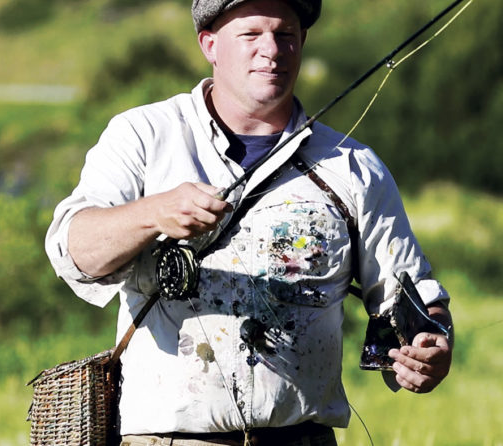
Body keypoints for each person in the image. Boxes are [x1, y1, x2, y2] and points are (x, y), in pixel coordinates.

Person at [45, 0, 453, 444]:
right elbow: (74, 252)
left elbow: (413, 297)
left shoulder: (355, 167)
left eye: (285, 34)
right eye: (251, 34)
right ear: (209, 45)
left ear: (302, 42)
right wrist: (153, 212)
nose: (271, 50)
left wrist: (430, 346)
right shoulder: (143, 136)